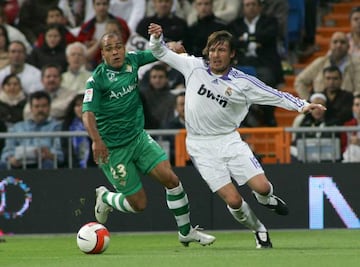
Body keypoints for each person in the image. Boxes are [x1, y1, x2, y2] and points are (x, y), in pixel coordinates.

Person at [148, 23, 326, 248]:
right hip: (200, 146)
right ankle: (259, 230)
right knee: (233, 200)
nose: (215, 54)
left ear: (232, 54)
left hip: (229, 140)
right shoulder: (193, 66)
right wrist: (157, 38)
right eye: (212, 49)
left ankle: (266, 199)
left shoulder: (243, 82)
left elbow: (274, 95)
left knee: (262, 187)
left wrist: (302, 105)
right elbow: (160, 52)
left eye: (221, 50)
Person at [82, 31, 216, 246]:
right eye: (109, 49)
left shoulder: (132, 60)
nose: (116, 52)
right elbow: (87, 113)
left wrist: (173, 45)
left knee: (171, 180)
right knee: (139, 204)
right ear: (102, 54)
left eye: (118, 47)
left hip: (138, 138)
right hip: (113, 149)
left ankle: (186, 231)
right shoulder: (96, 80)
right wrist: (96, 140)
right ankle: (106, 198)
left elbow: (157, 52)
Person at [0, 91, 64, 169]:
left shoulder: (57, 127)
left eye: (44, 106)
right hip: (19, 163)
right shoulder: (17, 127)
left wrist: (49, 155)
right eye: (36, 106)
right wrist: (10, 159)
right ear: (31, 108)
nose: (40, 109)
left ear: (49, 107)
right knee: (3, 165)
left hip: (44, 162)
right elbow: (7, 151)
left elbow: (60, 154)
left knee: (49, 164)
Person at [295, 32, 360, 100]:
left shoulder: (357, 63)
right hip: (321, 106)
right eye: (335, 42)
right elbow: (300, 81)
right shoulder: (320, 62)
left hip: (347, 106)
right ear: (330, 45)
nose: (338, 45)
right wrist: (309, 101)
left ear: (348, 46)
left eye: (342, 42)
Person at [62, 93, 95, 168]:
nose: (81, 108)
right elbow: (65, 146)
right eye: (77, 105)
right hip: (72, 167)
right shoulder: (67, 125)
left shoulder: (98, 123)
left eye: (83, 104)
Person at [341, 94, 360, 163]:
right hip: (350, 160)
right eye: (357, 105)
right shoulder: (348, 125)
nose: (359, 108)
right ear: (353, 108)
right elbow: (343, 147)